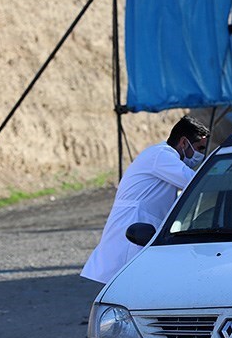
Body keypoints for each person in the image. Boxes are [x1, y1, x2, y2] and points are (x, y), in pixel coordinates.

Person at [81, 115, 210, 284]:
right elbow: (197, 183)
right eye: (200, 148)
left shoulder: (165, 159)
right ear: (184, 143)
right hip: (130, 238)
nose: (201, 155)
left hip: (138, 237)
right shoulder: (161, 155)